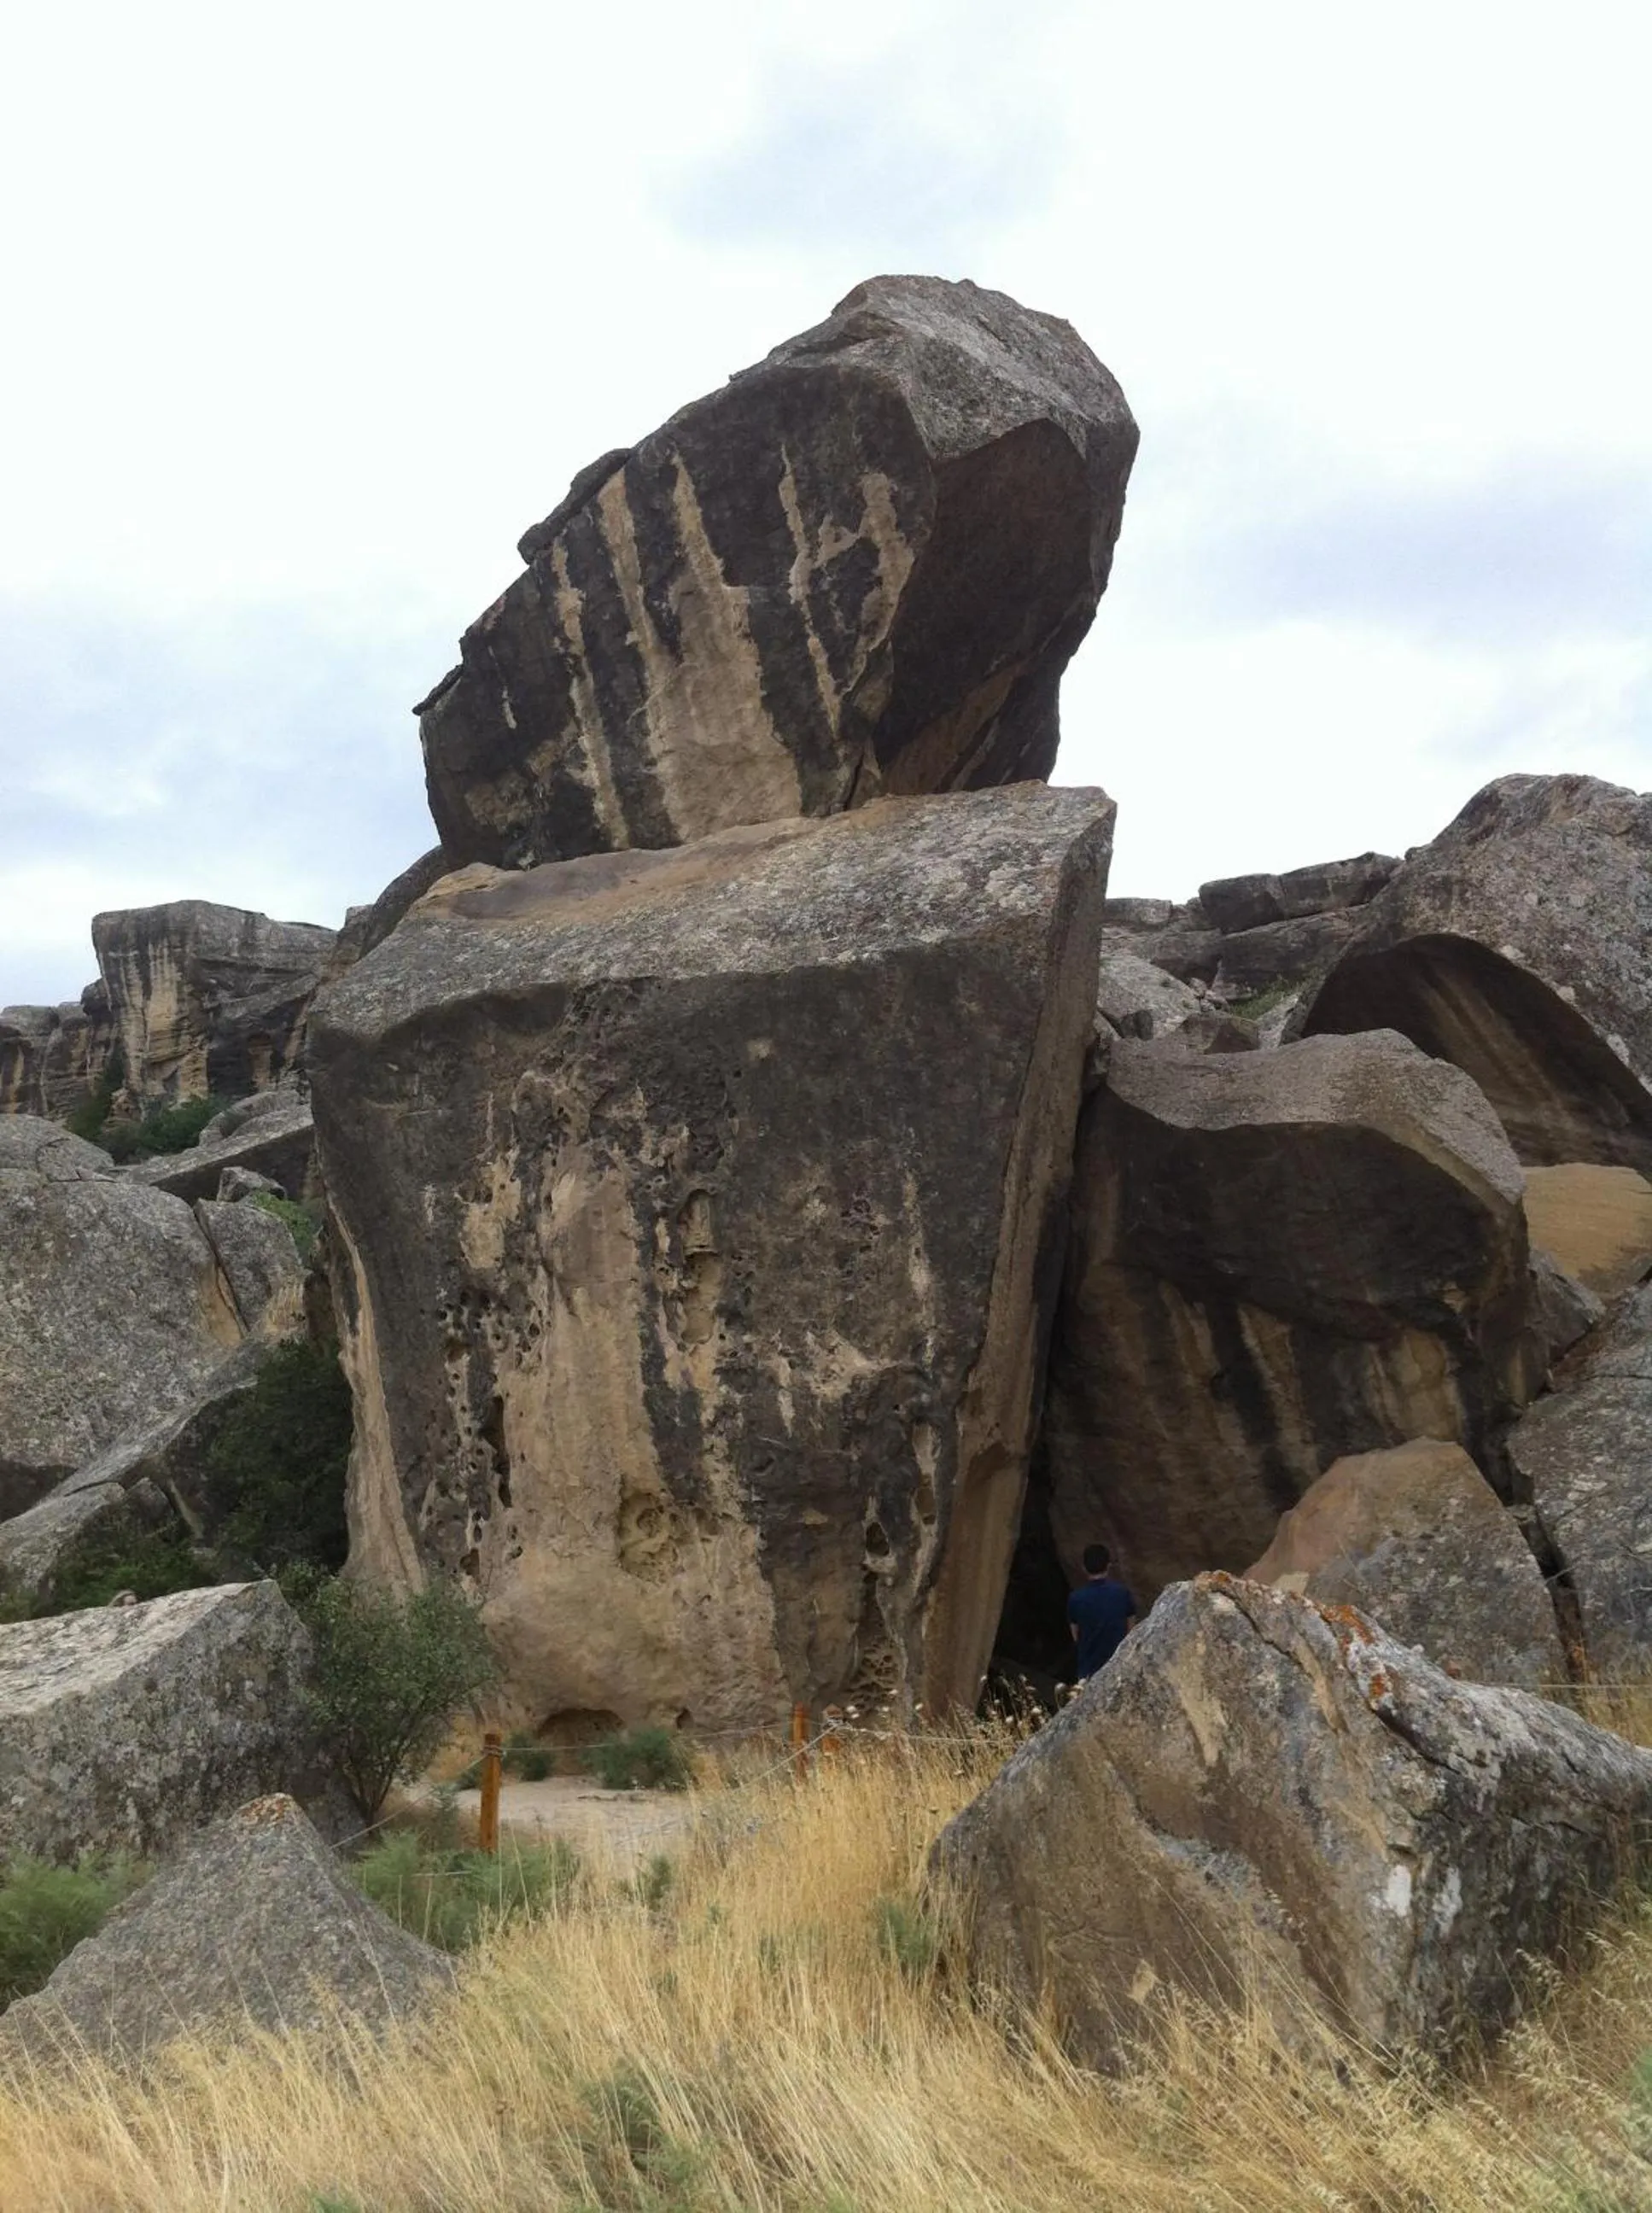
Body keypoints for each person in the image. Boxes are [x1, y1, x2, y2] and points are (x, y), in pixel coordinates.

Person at [1066, 1543, 1136, 1683]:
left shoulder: (1075, 1599)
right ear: (1108, 1565)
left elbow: (1076, 1635)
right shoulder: (1122, 1593)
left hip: (1088, 1671)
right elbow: (1132, 1630)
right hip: (1119, 1668)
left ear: (1084, 1568)